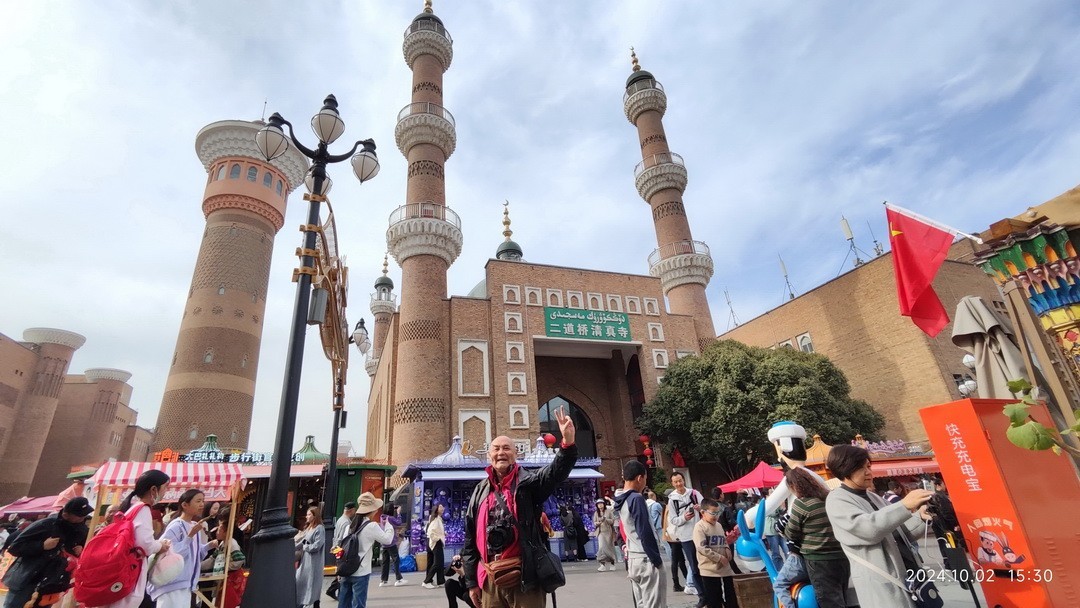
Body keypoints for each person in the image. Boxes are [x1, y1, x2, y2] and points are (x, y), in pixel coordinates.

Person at [462, 408, 577, 608]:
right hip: (490, 579)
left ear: (516, 454)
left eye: (506, 448)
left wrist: (567, 444)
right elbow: (469, 539)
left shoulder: (528, 484)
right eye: (496, 449)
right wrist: (472, 582)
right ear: (489, 455)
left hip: (525, 576)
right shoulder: (480, 492)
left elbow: (554, 473)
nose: (501, 453)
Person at [825, 444, 932, 608]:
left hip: (907, 578)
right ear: (845, 470)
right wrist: (904, 505)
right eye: (861, 468)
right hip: (881, 581)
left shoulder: (872, 496)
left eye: (868, 466)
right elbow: (868, 529)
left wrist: (921, 518)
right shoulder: (837, 500)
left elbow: (898, 531)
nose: (868, 472)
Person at [1, 497, 93, 608]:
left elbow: (85, 552)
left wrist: (81, 550)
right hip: (27, 580)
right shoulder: (46, 524)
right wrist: (42, 546)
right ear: (66, 514)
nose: (83, 518)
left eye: (85, 514)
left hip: (52, 583)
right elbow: (15, 548)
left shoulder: (82, 530)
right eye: (79, 515)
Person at [103, 469, 173, 608]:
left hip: (121, 569)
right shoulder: (144, 510)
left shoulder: (133, 508)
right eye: (165, 487)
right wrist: (160, 546)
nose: (166, 491)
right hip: (129, 570)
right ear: (154, 489)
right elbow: (144, 545)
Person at [783, 467, 846, 608]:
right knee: (841, 597)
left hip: (818, 559)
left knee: (829, 601)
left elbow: (791, 532)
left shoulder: (802, 503)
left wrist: (783, 526)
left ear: (793, 486)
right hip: (841, 556)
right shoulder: (827, 498)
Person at [148, 489, 217, 608]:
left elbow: (195, 554)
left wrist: (208, 546)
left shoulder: (193, 526)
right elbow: (169, 553)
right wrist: (189, 536)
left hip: (185, 583)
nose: (202, 504)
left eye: (203, 501)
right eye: (198, 501)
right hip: (172, 583)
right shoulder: (176, 526)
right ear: (185, 505)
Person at [613, 460, 666, 608]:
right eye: (645, 479)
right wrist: (656, 559)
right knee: (655, 604)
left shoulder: (621, 499)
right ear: (639, 478)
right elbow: (644, 530)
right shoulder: (636, 498)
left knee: (642, 603)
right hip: (645, 558)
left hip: (633, 558)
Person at [336, 492, 395, 608]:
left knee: (343, 603)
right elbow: (387, 540)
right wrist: (388, 526)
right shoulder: (371, 526)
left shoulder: (349, 526)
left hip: (346, 569)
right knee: (359, 604)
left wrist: (339, 568)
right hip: (361, 571)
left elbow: (341, 548)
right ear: (372, 510)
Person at [694, 498, 736, 608]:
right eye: (713, 513)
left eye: (718, 513)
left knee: (731, 596)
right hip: (709, 569)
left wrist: (727, 548)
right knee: (714, 600)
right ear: (703, 512)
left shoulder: (718, 525)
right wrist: (718, 557)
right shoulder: (699, 527)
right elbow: (702, 548)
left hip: (725, 568)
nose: (716, 516)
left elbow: (723, 540)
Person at [668, 471, 704, 598]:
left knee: (705, 563)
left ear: (684, 480)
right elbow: (673, 520)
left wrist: (700, 508)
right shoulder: (672, 500)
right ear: (672, 483)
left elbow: (706, 508)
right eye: (676, 482)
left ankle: (710, 592)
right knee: (694, 565)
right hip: (686, 536)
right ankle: (701, 595)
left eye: (680, 481)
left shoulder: (694, 493)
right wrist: (684, 518)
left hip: (700, 534)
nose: (679, 484)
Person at [201, 521, 246, 608]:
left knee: (226, 603)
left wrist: (224, 567)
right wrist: (198, 566)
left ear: (226, 532)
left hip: (232, 578)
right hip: (224, 577)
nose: (217, 532)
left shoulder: (232, 544)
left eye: (219, 530)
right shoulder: (222, 543)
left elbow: (240, 560)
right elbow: (212, 560)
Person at [294, 506, 325, 608]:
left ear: (315, 515)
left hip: (313, 561)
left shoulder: (319, 528)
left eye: (309, 514)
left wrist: (306, 547)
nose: (306, 517)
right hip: (305, 561)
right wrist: (292, 548)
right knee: (300, 581)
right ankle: (302, 603)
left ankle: (310, 603)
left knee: (311, 584)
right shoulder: (309, 527)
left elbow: (317, 545)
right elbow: (302, 541)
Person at [327, 502, 359, 600]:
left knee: (340, 570)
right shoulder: (347, 523)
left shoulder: (340, 520)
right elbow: (344, 538)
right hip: (341, 549)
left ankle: (333, 589)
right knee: (343, 571)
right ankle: (337, 591)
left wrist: (333, 546)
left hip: (336, 548)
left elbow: (336, 535)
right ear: (352, 510)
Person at [378, 504, 406, 587]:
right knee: (396, 560)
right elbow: (399, 523)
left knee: (385, 561)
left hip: (384, 542)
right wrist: (398, 513)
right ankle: (399, 579)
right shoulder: (390, 518)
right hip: (391, 542)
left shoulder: (382, 517)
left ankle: (384, 580)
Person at [423, 504, 447, 589]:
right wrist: (438, 538)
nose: (442, 508)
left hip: (436, 542)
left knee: (439, 563)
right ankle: (427, 581)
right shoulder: (435, 520)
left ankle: (441, 581)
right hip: (436, 543)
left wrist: (442, 534)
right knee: (437, 563)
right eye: (440, 507)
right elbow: (430, 532)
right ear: (436, 509)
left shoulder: (437, 519)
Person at [593, 499, 617, 572]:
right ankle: (602, 564)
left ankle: (612, 563)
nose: (600, 505)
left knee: (610, 548)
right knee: (601, 548)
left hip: (608, 532)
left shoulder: (609, 512)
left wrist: (606, 520)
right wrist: (597, 523)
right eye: (598, 504)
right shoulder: (596, 513)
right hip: (601, 532)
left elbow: (612, 521)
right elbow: (594, 522)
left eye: (601, 503)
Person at [644, 490, 666, 560]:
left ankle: (657, 557)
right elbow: (663, 513)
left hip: (651, 526)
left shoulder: (645, 504)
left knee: (655, 542)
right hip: (658, 524)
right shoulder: (656, 504)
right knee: (664, 541)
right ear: (653, 496)